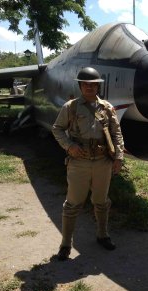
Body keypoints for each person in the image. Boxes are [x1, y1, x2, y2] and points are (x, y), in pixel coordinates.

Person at [52, 67, 124, 261]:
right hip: (79, 162)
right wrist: (69, 146)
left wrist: (118, 158)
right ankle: (66, 244)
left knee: (101, 202)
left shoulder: (107, 108)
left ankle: (102, 235)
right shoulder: (71, 107)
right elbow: (57, 129)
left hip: (102, 161)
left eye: (93, 84)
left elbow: (117, 133)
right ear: (80, 86)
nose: (90, 87)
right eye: (86, 84)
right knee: (72, 204)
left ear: (98, 86)